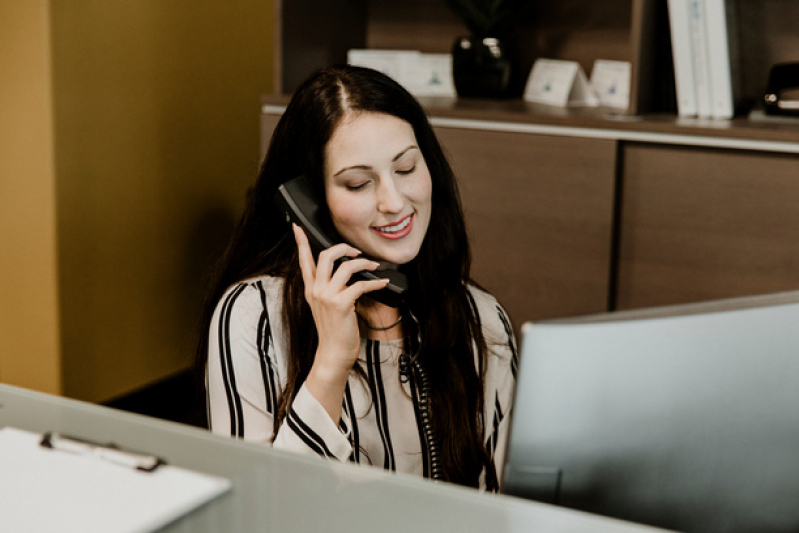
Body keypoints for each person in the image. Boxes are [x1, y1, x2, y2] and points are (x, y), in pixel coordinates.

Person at [198, 64, 517, 491]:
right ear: (308, 201)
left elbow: (501, 501)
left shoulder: (482, 320)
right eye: (358, 183)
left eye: (406, 169)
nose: (394, 201)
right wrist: (330, 364)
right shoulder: (253, 318)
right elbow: (256, 512)